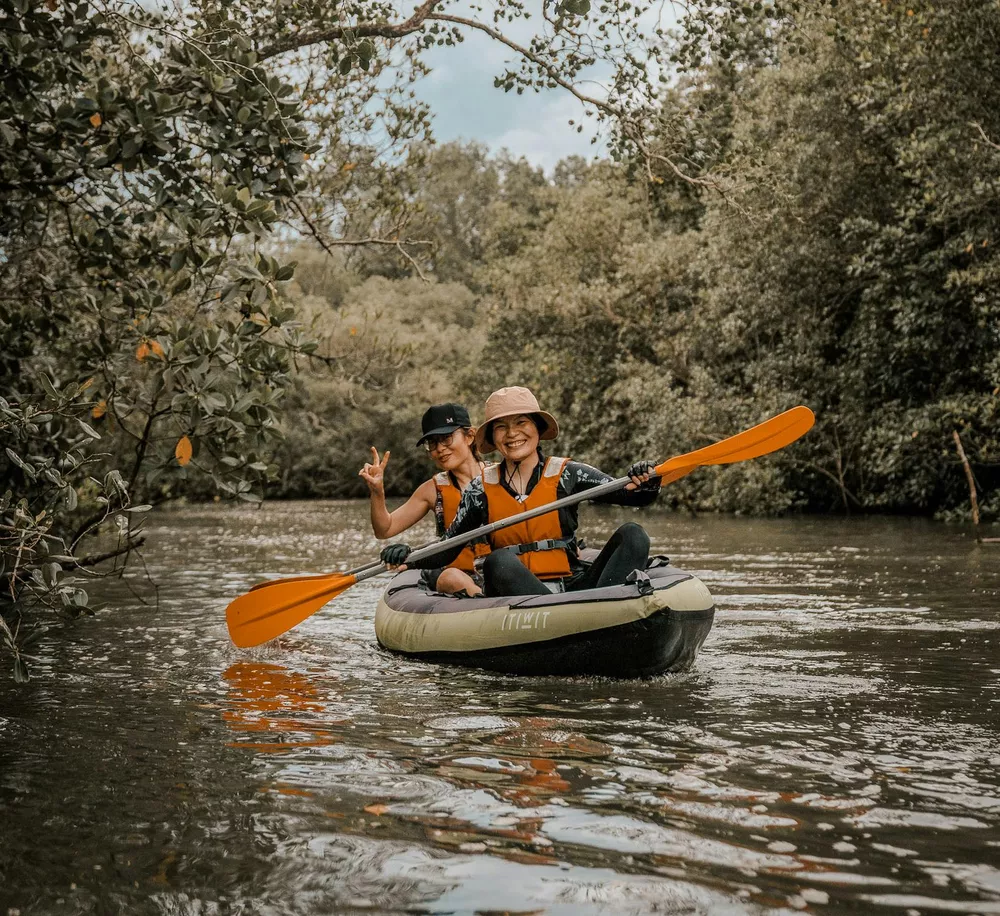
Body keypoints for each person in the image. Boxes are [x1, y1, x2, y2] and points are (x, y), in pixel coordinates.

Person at [379, 386, 661, 598]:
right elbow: (448, 548)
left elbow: (634, 495)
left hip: (574, 586)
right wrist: (408, 555)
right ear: (492, 438)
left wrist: (645, 477)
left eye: (521, 423)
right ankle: (557, 620)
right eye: (501, 427)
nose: (512, 433)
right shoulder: (480, 489)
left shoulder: (569, 473)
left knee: (634, 534)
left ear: (537, 429)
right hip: (518, 598)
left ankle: (605, 610)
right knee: (498, 560)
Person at [360, 403, 489, 596]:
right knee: (451, 577)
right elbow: (384, 529)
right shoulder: (432, 490)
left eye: (446, 438)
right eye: (432, 443)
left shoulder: (502, 477)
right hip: (458, 577)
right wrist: (377, 492)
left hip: (497, 570)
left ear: (470, 436)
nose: (440, 449)